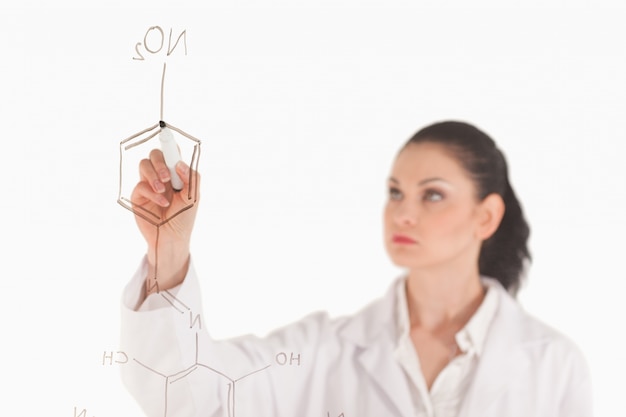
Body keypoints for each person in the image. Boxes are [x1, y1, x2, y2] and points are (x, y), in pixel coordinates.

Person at [120, 120, 593, 417]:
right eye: (395, 193)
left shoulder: (553, 363)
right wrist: (170, 254)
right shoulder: (327, 350)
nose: (403, 213)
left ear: (486, 215)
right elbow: (195, 398)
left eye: (432, 194)